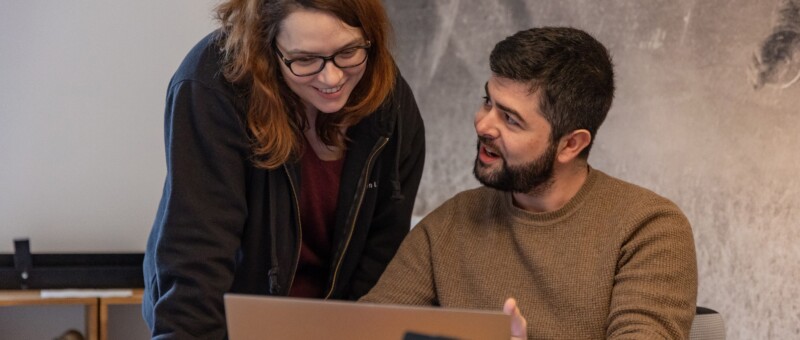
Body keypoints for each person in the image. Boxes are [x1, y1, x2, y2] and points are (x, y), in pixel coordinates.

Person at [361, 27, 697, 339]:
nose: (483, 124)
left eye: (510, 119)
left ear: (570, 145)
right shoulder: (450, 223)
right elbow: (365, 330)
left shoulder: (648, 228)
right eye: (487, 101)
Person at [142, 0, 425, 338]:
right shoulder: (211, 85)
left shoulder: (392, 107)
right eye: (305, 60)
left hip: (332, 328)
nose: (331, 77)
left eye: (348, 52)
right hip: (230, 323)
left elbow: (380, 271)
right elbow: (196, 262)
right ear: (266, 44)